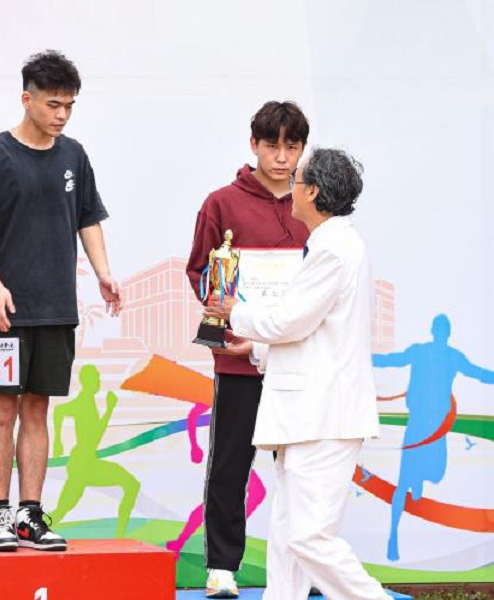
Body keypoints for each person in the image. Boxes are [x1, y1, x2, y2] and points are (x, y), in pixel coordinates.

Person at [205, 148, 388, 599]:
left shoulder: (334, 250)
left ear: (313, 192)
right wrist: (257, 347)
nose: (291, 186)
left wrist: (235, 311)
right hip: (310, 412)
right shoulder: (331, 245)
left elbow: (289, 320)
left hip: (323, 414)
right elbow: (312, 330)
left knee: (308, 537)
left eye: (297, 180)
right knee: (288, 536)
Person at [0, 50, 122, 552]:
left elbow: (87, 218)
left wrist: (103, 273)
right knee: (2, 411)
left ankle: (30, 514)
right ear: (26, 99)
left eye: (69, 106)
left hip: (56, 306)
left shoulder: (74, 156)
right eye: (54, 105)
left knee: (38, 409)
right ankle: (0, 515)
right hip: (4, 309)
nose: (62, 115)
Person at [185, 101, 310, 598]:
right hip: (238, 357)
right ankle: (222, 567)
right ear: (253, 144)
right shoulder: (221, 203)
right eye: (271, 145)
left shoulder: (313, 203)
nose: (281, 157)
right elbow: (200, 269)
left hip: (299, 359)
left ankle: (303, 567)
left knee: (302, 470)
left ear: (302, 149)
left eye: (292, 147)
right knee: (230, 465)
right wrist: (223, 309)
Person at [373, 314, 494, 561]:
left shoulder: (454, 357)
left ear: (447, 333)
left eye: (443, 328)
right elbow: (392, 360)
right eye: (438, 328)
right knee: (403, 483)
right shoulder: (419, 351)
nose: (440, 332)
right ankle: (393, 537)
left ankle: (418, 478)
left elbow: (478, 373)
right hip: (417, 425)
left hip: (437, 429)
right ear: (433, 330)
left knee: (437, 474)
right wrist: (363, 358)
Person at [50, 365, 140, 537]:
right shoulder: (84, 403)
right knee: (61, 510)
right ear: (88, 381)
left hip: (86, 462)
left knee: (131, 485)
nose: (99, 382)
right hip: (83, 464)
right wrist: (57, 441)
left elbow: (60, 412)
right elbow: (94, 435)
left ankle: (120, 536)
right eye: (96, 379)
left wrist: (58, 440)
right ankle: (120, 535)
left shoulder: (87, 402)